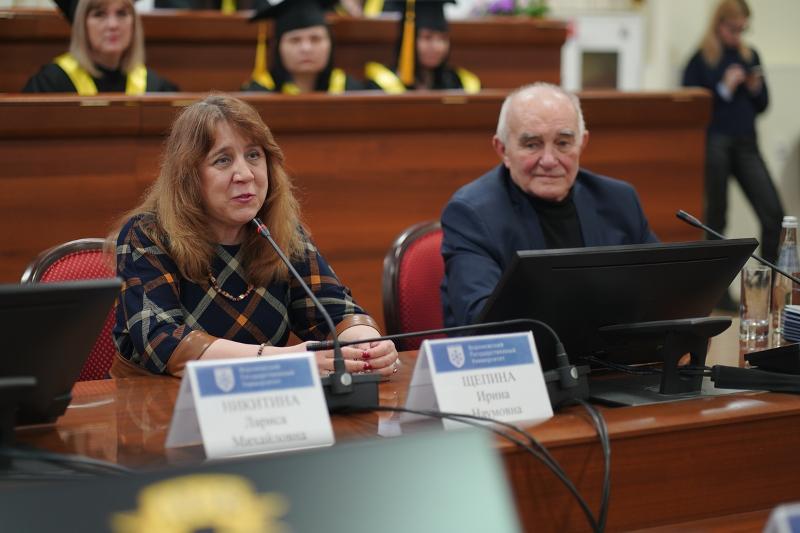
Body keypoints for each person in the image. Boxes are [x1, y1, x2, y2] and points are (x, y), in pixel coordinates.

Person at [110, 94, 398, 378]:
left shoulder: (279, 232)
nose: (245, 174)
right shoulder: (146, 235)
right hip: (158, 401)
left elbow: (336, 311)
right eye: (223, 160)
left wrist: (367, 346)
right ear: (189, 176)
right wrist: (285, 360)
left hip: (260, 400)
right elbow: (162, 342)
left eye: (253, 155)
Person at [441, 83, 657, 327]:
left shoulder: (619, 200)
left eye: (563, 143)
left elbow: (663, 288)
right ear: (502, 150)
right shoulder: (472, 214)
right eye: (532, 144)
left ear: (582, 143)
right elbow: (483, 319)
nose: (549, 160)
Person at [682, 0, 783, 264]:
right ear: (718, 24)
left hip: (746, 144)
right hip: (715, 143)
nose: (738, 36)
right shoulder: (700, 60)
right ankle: (716, 285)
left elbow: (763, 105)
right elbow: (692, 109)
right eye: (733, 29)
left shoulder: (750, 56)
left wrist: (755, 89)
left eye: (743, 29)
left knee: (774, 214)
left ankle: (771, 279)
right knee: (716, 218)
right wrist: (724, 88)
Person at [22, 0, 177, 94]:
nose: (113, 25)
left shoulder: (154, 87)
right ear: (81, 25)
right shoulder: (49, 85)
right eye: (99, 14)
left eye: (122, 13)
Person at [242, 0, 366, 94]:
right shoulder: (256, 94)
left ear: (330, 44)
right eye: (295, 40)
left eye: (315, 39)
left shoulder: (351, 91)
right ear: (278, 47)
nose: (306, 48)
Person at [365, 0, 480, 93]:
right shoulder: (383, 86)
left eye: (443, 38)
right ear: (408, 40)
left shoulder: (459, 84)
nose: (437, 47)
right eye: (427, 37)